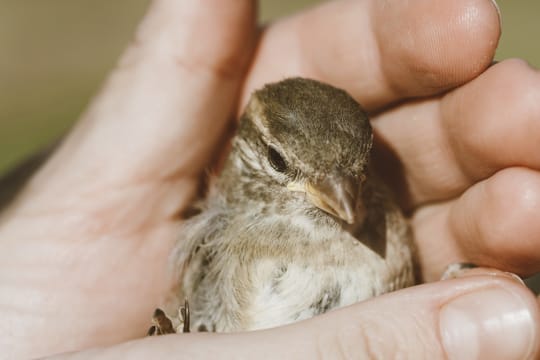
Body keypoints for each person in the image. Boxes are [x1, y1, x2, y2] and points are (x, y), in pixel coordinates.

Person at [1, 0, 539, 358]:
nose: (343, 202)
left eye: (354, 174)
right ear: (250, 150)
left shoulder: (384, 228)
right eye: (283, 165)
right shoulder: (225, 241)